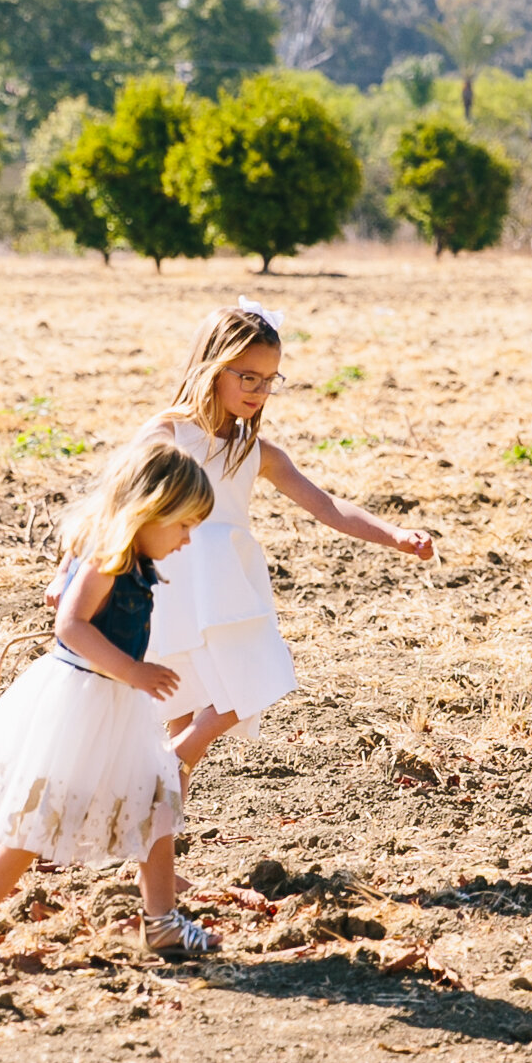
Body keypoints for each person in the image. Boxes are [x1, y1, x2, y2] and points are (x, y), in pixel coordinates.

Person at [0, 434, 220, 968]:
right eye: (183, 525)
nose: (187, 539)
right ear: (150, 510)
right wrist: (133, 670)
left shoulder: (133, 559)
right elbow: (69, 625)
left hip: (115, 705)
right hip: (84, 704)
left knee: (160, 804)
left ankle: (161, 922)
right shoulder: (108, 561)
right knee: (41, 818)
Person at [142, 297, 434, 779]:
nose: (258, 390)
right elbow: (117, 499)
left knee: (239, 685)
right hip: (177, 575)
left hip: (230, 582)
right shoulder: (167, 433)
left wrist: (396, 535)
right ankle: (170, 788)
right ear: (212, 369)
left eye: (269, 380)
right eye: (246, 377)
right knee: (211, 690)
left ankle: (171, 784)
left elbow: (326, 505)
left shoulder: (256, 451)